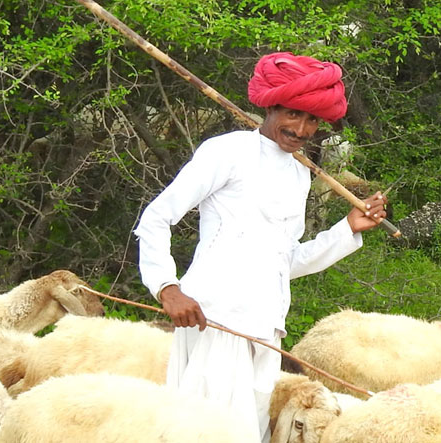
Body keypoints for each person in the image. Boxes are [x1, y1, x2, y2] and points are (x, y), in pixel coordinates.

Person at [134, 52, 388, 442]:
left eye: (311, 120)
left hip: (265, 329)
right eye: (291, 114)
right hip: (213, 318)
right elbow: (156, 217)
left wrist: (347, 228)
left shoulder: (299, 173)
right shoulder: (228, 151)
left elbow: (284, 261)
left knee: (249, 432)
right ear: (270, 107)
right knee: (202, 432)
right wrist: (167, 288)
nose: (301, 129)